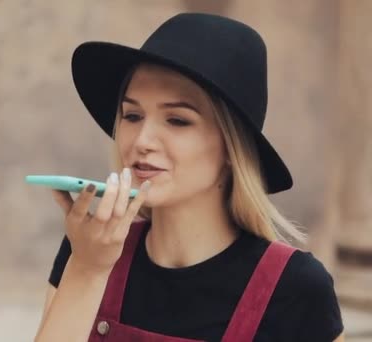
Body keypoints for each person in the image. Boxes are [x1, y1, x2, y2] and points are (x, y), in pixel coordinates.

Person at [34, 13, 344, 342]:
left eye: (178, 120)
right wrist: (87, 269)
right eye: (133, 115)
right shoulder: (90, 247)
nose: (141, 141)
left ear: (231, 147)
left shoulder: (296, 289)